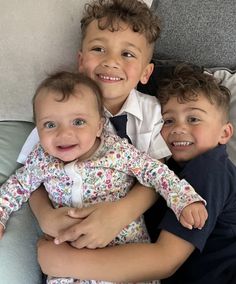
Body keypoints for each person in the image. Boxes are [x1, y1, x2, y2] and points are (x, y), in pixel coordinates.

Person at [0, 1, 166, 283]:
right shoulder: (57, 107)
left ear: (145, 73)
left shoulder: (151, 112)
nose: (111, 61)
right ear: (80, 60)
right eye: (98, 49)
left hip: (124, 236)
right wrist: (45, 217)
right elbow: (29, 175)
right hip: (68, 236)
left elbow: (158, 175)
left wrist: (119, 214)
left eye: (126, 53)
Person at [0, 70, 207, 284]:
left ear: (99, 126)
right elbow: (17, 185)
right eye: (50, 125)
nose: (64, 134)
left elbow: (155, 172)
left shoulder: (117, 151)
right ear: (38, 129)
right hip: (69, 266)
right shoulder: (41, 159)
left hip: (121, 256)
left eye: (78, 122)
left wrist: (184, 200)